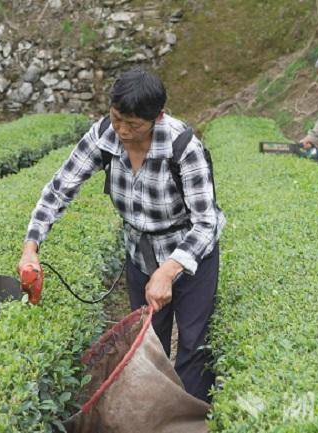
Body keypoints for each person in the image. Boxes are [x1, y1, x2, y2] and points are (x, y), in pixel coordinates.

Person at [17, 68, 225, 403]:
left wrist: (168, 271)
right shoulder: (104, 135)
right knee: (148, 342)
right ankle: (152, 413)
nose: (123, 131)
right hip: (140, 254)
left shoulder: (183, 146)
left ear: (157, 117)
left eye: (134, 125)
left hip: (190, 256)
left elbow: (206, 222)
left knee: (193, 343)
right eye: (117, 119)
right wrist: (31, 247)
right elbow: (58, 190)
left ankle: (187, 416)